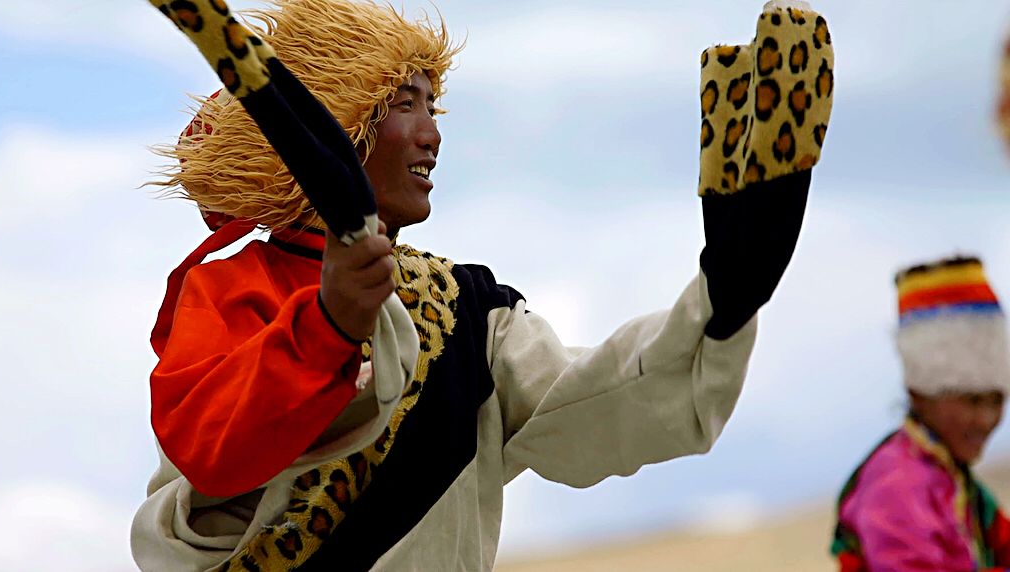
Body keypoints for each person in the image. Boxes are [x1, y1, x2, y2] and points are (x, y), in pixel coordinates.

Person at [131, 0, 835, 569]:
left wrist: (728, 292)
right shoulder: (230, 290)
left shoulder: (469, 312)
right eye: (405, 103)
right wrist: (328, 325)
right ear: (339, 123)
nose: (432, 133)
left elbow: (601, 406)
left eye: (433, 107)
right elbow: (210, 451)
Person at [832, 256, 1010, 571]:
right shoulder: (896, 485)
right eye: (971, 401)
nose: (986, 419)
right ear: (920, 394)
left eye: (997, 401)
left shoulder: (955, 478)